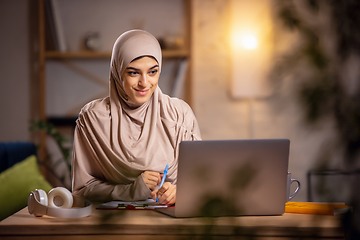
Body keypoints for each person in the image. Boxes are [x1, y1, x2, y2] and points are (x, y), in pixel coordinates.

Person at [71, 30, 201, 205]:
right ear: (117, 71)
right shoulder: (93, 118)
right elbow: (82, 189)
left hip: (170, 218)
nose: (144, 83)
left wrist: (181, 192)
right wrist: (130, 191)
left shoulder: (179, 114)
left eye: (152, 72)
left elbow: (201, 180)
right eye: (133, 73)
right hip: (112, 223)